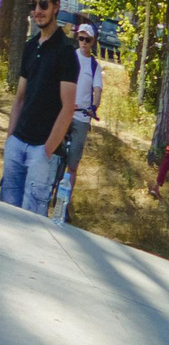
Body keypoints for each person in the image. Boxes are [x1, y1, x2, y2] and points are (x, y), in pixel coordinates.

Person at [0, 0, 77, 211]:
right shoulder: (30, 47)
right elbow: (20, 98)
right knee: (5, 215)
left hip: (41, 152)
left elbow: (68, 107)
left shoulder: (66, 51)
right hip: (17, 144)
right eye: (32, 5)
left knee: (30, 222)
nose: (37, 10)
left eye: (43, 4)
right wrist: (10, 139)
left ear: (55, 6)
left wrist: (46, 151)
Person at [50, 20, 104, 219]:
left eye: (87, 40)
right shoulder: (70, 57)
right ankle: (46, 190)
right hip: (64, 112)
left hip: (81, 117)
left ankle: (64, 203)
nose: (83, 42)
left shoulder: (94, 66)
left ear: (92, 42)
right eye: (80, 38)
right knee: (53, 154)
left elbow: (97, 91)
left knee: (72, 164)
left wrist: (93, 107)